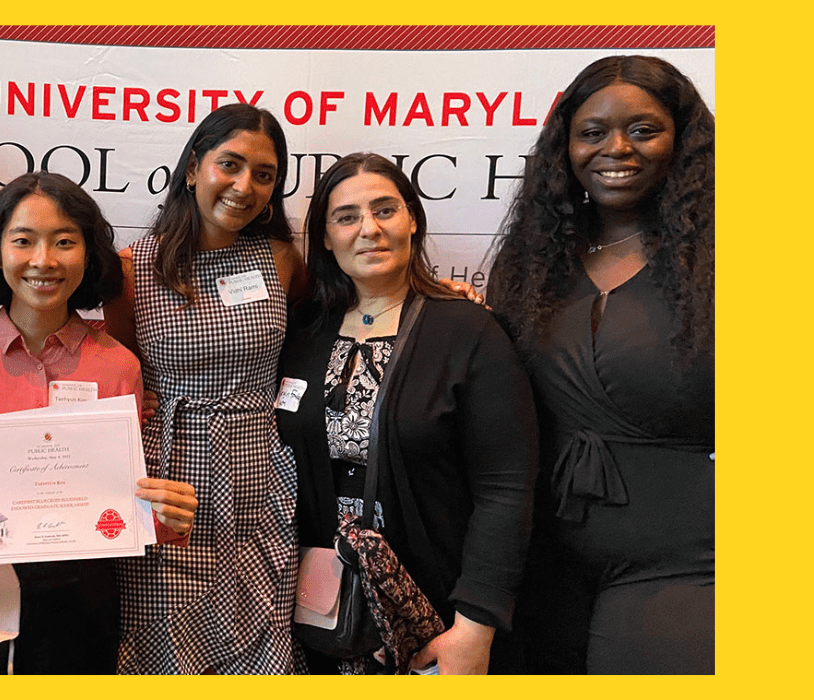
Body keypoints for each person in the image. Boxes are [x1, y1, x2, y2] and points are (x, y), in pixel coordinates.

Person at [0, 171, 198, 674]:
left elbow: (117, 496)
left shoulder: (117, 365)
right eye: (23, 241)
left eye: (65, 242)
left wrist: (165, 517)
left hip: (82, 597)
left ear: (88, 255)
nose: (43, 261)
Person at [487, 55, 714, 674]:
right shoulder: (531, 263)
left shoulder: (728, 261)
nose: (617, 148)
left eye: (643, 129)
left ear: (684, 140)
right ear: (566, 147)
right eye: (592, 132)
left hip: (686, 566)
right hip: (538, 569)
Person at [275, 153, 538, 675]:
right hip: (318, 612)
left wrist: (474, 625)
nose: (368, 229)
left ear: (412, 219)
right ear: (324, 238)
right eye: (346, 217)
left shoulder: (467, 331)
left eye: (385, 210)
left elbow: (506, 489)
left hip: (433, 613)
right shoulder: (300, 329)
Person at [102, 103, 307, 674]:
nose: (245, 187)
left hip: (262, 476)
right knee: (164, 641)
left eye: (264, 175)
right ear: (193, 168)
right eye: (230, 165)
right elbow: (124, 372)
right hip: (168, 476)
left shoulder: (282, 260)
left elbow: (339, 326)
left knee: (261, 635)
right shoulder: (130, 269)